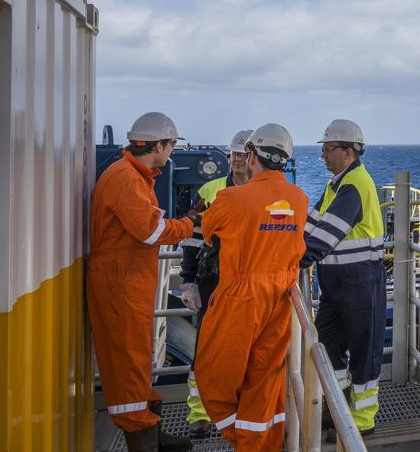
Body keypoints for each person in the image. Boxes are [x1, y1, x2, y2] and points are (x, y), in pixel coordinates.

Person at [86, 112, 197, 452]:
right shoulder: (126, 179)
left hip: (128, 282)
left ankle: (151, 429)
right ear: (158, 145)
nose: (172, 152)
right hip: (121, 285)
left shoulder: (134, 175)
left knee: (138, 359)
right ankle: (142, 440)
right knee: (128, 362)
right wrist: (191, 223)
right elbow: (151, 231)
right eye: (171, 145)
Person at [194, 123, 308, 451]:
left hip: (240, 296)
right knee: (263, 380)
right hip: (281, 297)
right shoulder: (299, 199)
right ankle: (259, 444)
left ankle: (242, 439)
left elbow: (208, 231)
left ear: (252, 155)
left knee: (212, 378)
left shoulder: (231, 197)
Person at [303, 118, 386, 435]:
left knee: (364, 351)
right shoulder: (335, 185)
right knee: (326, 344)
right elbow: (311, 226)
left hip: (361, 283)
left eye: (327, 148)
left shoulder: (354, 186)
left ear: (348, 151)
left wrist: (294, 260)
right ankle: (338, 404)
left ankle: (362, 421)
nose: (322, 155)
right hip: (336, 286)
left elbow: (325, 236)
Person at [180, 128, 253, 438]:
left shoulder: (262, 192)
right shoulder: (210, 191)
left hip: (251, 286)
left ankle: (245, 411)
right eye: (233, 154)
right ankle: (199, 414)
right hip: (213, 282)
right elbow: (192, 238)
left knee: (250, 350)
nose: (236, 159)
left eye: (242, 154)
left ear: (253, 157)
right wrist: (188, 281)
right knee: (206, 349)